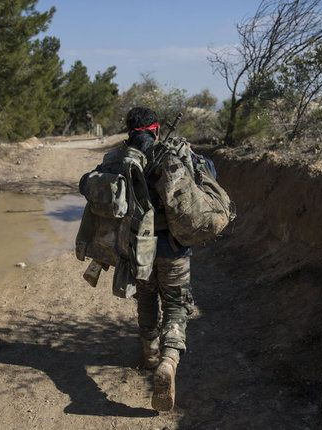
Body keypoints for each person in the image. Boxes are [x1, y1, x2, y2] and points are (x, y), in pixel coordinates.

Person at [124, 106, 195, 412]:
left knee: (146, 296)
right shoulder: (170, 154)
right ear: (154, 129)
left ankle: (150, 353)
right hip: (173, 246)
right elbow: (204, 180)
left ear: (130, 131)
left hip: (138, 248)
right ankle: (168, 360)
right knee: (176, 303)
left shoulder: (119, 159)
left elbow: (88, 186)